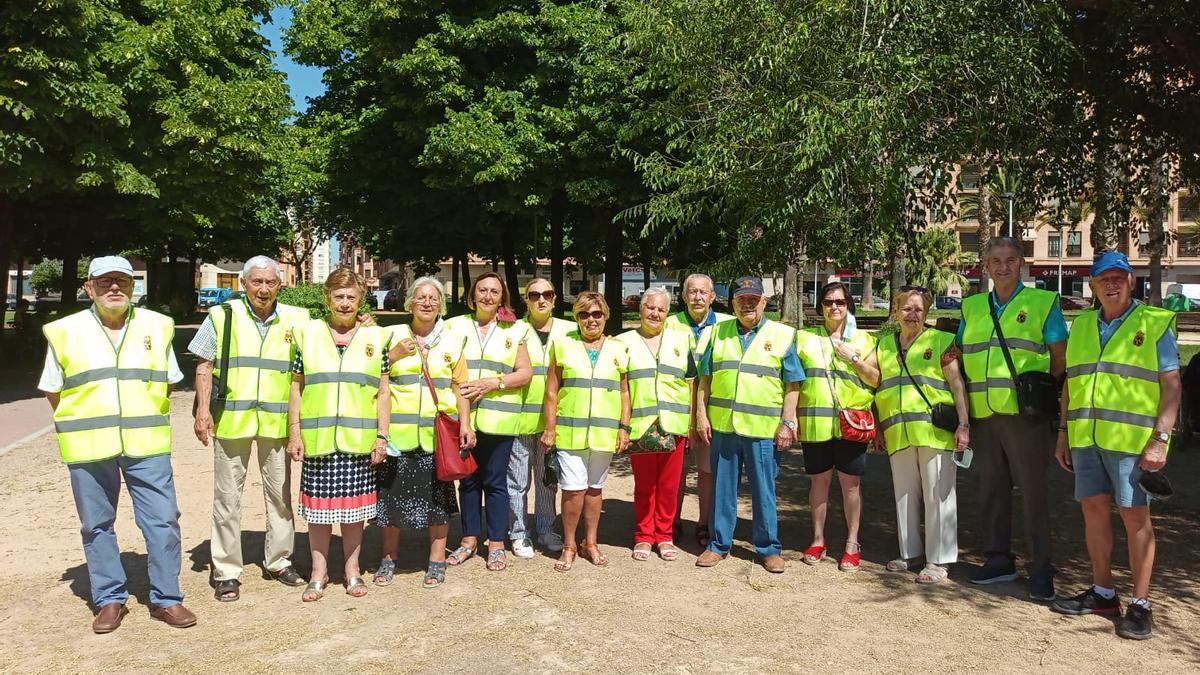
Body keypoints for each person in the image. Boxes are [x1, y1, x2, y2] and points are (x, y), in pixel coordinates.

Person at [40, 255, 196, 633]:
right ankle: (110, 599)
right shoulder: (65, 331)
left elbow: (168, 381)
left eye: (122, 281)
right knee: (96, 525)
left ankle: (166, 599)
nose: (115, 287)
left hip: (146, 443)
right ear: (88, 287)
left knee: (162, 521)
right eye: (105, 280)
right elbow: (53, 390)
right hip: (89, 445)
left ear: (132, 287)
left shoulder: (158, 327)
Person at [1050, 251, 1180, 641]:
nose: (1112, 284)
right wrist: (1063, 433)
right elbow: (1071, 383)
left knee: (1135, 517)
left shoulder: (1153, 324)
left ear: (1131, 282)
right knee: (1093, 511)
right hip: (1087, 437)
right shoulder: (1084, 325)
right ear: (1092, 285)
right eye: (1104, 278)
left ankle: (1141, 605)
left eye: (1119, 277)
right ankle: (1104, 592)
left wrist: (1161, 439)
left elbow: (1172, 384)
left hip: (1133, 442)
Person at [190, 256, 310, 602]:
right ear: (244, 284)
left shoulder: (297, 320)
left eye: (270, 282)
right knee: (227, 499)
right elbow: (204, 363)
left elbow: (325, 344)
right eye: (256, 282)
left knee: (280, 496)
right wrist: (202, 410)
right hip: (232, 419)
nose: (263, 289)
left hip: (277, 422)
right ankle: (226, 570)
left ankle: (279, 560)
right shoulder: (222, 315)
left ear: (279, 285)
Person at [957, 237, 1067, 601]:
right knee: (991, 489)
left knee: (1033, 492)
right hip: (984, 414)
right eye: (995, 260)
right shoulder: (972, 306)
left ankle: (1041, 568)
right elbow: (960, 351)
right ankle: (998, 559)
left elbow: (1059, 356)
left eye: (1010, 260)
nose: (1003, 266)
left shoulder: (1041, 302)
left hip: (1025, 416)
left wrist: (1039, 392)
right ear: (985, 266)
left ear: (1022, 264)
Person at [287, 269, 393, 601]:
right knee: (318, 514)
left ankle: (352, 572)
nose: (345, 303)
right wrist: (295, 433)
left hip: (358, 442)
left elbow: (384, 393)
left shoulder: (377, 338)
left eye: (351, 297)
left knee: (354, 514)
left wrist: (382, 436)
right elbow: (296, 387)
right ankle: (319, 573)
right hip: (318, 441)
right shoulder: (308, 334)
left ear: (361, 300)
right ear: (327, 298)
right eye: (338, 296)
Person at [861, 286, 970, 584]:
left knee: (939, 495)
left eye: (919, 309)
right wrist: (879, 427)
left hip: (934, 433)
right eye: (906, 309)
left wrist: (964, 424)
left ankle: (939, 560)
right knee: (904, 495)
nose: (912, 314)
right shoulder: (882, 345)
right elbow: (874, 385)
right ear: (895, 312)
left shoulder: (941, 341)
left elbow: (957, 384)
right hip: (898, 432)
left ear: (927, 313)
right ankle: (909, 552)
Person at [694, 276, 802, 573]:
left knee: (763, 490)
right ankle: (718, 545)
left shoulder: (782, 335)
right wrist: (701, 415)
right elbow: (705, 380)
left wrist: (787, 423)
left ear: (764, 302)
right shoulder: (718, 333)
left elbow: (793, 384)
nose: (747, 304)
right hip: (724, 428)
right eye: (741, 300)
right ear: (732, 303)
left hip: (763, 430)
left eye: (753, 300)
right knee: (722, 489)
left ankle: (768, 548)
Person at [374, 277, 474, 588]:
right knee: (390, 501)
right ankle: (388, 558)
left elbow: (460, 387)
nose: (427, 302)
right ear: (410, 303)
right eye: (421, 297)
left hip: (436, 436)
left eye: (433, 298)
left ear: (441, 305)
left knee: (438, 500)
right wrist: (393, 356)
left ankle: (436, 559)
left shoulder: (453, 340)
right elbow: (374, 375)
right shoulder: (390, 336)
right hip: (397, 436)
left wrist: (466, 423)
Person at [443, 272, 534, 572]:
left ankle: (496, 544)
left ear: (502, 297)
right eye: (482, 290)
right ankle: (469, 540)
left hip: (499, 420)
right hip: (462, 418)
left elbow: (524, 373)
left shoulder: (515, 329)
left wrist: (493, 383)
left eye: (494, 292)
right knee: (467, 481)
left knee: (496, 483)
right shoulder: (454, 326)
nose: (487, 296)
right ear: (472, 295)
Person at [540, 291, 632, 571]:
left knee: (594, 490)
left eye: (596, 314)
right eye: (583, 314)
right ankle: (569, 544)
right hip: (570, 432)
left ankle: (590, 542)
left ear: (605, 316)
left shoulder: (619, 348)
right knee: (573, 490)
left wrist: (624, 427)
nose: (591, 320)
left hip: (604, 434)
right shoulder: (563, 345)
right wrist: (550, 428)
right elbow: (552, 391)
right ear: (576, 318)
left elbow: (625, 392)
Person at [795, 282, 879, 572]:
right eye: (829, 302)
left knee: (851, 486)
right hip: (815, 423)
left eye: (840, 302)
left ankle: (852, 543)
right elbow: (793, 380)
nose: (834, 307)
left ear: (848, 306)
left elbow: (875, 379)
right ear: (820, 306)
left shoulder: (865, 340)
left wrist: (853, 358)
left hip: (851, 425)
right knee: (819, 482)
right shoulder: (804, 338)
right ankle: (818, 540)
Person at [618, 287, 696, 561]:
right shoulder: (623, 342)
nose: (655, 313)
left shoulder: (682, 340)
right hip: (641, 425)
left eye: (661, 309)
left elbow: (691, 383)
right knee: (644, 485)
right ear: (640, 309)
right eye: (650, 307)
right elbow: (621, 387)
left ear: (668, 312)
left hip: (674, 424)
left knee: (669, 485)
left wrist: (692, 423)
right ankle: (643, 536)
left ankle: (664, 536)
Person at [664, 273, 733, 548]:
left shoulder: (726, 325)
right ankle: (673, 521)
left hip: (710, 408)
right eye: (691, 292)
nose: (697, 297)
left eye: (703, 292)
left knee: (707, 471)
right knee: (676, 470)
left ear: (713, 297)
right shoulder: (669, 324)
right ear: (683, 297)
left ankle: (704, 522)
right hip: (677, 408)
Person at [509, 278, 573, 557]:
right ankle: (519, 533)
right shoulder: (513, 330)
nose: (541, 300)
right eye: (534, 295)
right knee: (518, 480)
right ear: (526, 299)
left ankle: (546, 529)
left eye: (547, 293)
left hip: (554, 419)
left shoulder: (570, 330)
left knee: (548, 478)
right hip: (521, 418)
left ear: (555, 298)